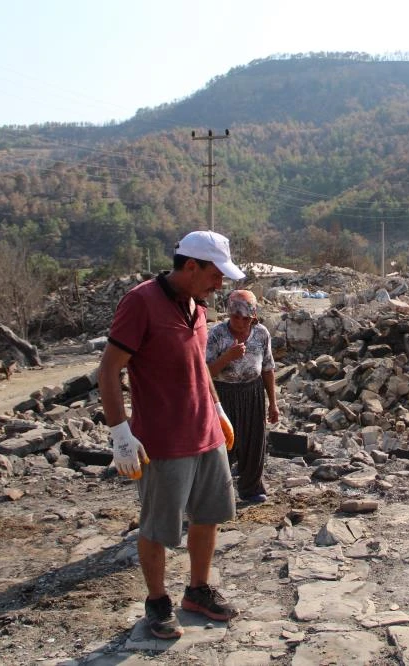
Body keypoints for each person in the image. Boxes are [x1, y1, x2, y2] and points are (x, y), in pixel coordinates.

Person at [98, 230, 245, 640]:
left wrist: (217, 410)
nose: (221, 285)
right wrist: (120, 433)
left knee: (211, 514)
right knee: (159, 527)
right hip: (162, 440)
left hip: (206, 433)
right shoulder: (140, 302)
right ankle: (157, 602)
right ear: (191, 266)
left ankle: (198, 590)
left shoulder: (197, 307)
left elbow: (197, 366)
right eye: (216, 275)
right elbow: (109, 370)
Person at [206, 290, 279, 503]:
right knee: (224, 443)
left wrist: (272, 403)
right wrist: (228, 357)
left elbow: (267, 368)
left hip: (252, 393)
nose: (239, 322)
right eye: (235, 317)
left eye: (245, 318)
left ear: (253, 316)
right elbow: (205, 372)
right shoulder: (217, 334)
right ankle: (219, 494)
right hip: (223, 394)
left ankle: (251, 488)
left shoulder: (261, 333)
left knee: (254, 442)